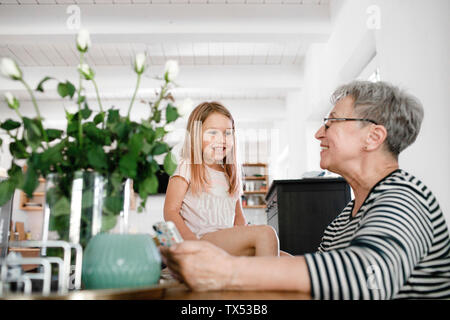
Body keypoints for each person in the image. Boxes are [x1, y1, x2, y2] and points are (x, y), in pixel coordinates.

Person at [160, 81, 450, 299]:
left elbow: (367, 276)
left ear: (373, 137)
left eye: (332, 122)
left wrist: (230, 270)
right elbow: (322, 278)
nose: (318, 133)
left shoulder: (405, 199)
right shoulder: (340, 223)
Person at [163, 101, 280, 257]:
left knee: (288, 259)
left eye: (227, 133)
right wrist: (191, 241)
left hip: (226, 241)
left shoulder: (229, 174)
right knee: (267, 235)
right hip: (202, 239)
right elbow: (170, 211)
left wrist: (244, 238)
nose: (222, 139)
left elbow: (239, 217)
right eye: (213, 133)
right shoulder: (188, 166)